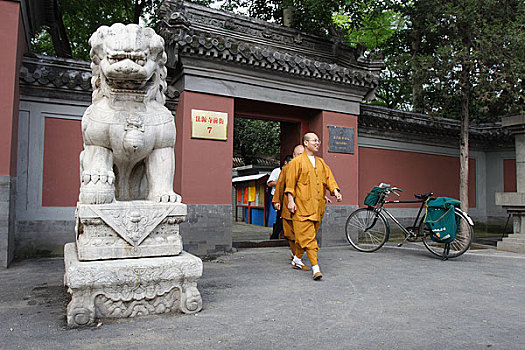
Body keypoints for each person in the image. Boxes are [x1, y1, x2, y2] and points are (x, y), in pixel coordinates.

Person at [285, 132, 342, 280]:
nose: (317, 143)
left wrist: (335, 191)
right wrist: (290, 200)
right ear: (306, 143)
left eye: (318, 140)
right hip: (301, 207)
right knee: (309, 238)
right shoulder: (296, 163)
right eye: (314, 140)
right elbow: (290, 184)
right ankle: (316, 268)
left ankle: (297, 259)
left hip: (317, 207)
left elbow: (329, 178)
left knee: (305, 237)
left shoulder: (321, 163)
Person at [272, 145, 306, 269]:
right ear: (293, 155)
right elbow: (280, 185)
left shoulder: (308, 168)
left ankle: (298, 255)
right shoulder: (286, 169)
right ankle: (295, 253)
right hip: (288, 205)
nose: (300, 157)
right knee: (289, 233)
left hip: (303, 206)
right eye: (298, 155)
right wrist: (276, 201)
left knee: (301, 233)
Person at [268, 156, 292, 239]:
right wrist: (281, 183)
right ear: (286, 162)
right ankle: (275, 236)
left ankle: (280, 235)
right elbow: (269, 183)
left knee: (283, 217)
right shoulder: (277, 171)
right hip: (277, 196)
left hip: (288, 197)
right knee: (280, 217)